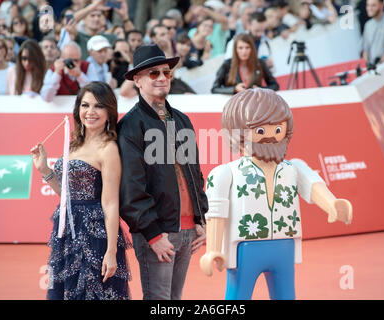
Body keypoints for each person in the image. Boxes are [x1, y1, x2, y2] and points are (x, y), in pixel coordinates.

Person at [200, 88, 353, 299]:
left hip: (284, 245)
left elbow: (314, 185)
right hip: (245, 247)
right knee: (237, 296)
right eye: (261, 131)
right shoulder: (226, 173)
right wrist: (213, 250)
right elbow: (216, 211)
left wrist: (333, 204)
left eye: (278, 129)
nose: (271, 136)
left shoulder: (293, 168)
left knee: (285, 295)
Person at [117, 44, 208, 300]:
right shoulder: (130, 126)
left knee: (175, 300)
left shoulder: (182, 120)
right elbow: (130, 189)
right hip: (157, 233)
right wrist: (153, 234)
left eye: (166, 73)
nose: (161, 78)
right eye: (153, 73)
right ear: (137, 80)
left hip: (188, 230)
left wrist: (201, 219)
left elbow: (195, 174)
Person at [30, 81, 131, 300]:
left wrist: (111, 252)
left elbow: (111, 203)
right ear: (78, 109)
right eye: (85, 105)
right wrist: (45, 169)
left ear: (109, 112)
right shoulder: (74, 144)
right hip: (67, 231)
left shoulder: (109, 148)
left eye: (98, 106)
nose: (90, 112)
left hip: (94, 235)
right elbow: (67, 196)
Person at [212, 33, 279, 94]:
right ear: (235, 49)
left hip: (255, 103)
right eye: (240, 48)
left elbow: (275, 85)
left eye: (247, 47)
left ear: (252, 49)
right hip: (235, 104)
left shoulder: (260, 63)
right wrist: (234, 89)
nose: (244, 51)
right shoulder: (227, 64)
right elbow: (214, 89)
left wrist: (261, 89)